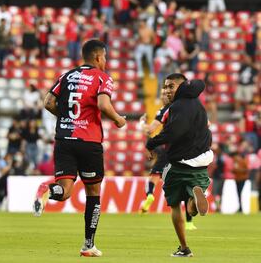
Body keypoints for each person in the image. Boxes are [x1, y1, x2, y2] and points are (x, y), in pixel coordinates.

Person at [32, 39, 126, 257]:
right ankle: (88, 245)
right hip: (88, 141)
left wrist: (66, 118)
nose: (105, 61)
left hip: (64, 140)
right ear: (98, 57)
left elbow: (48, 102)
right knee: (93, 192)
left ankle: (48, 189)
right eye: (104, 57)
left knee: (64, 191)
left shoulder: (66, 76)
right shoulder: (103, 77)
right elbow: (103, 104)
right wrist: (118, 119)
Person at [145, 73, 213, 257]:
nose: (167, 90)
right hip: (202, 161)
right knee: (190, 201)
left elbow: (173, 132)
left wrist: (151, 143)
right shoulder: (197, 103)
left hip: (179, 162)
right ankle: (194, 200)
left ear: (182, 87)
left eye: (171, 86)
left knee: (174, 204)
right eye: (165, 86)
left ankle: (184, 248)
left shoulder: (178, 107)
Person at [139, 87, 197, 230]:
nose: (163, 97)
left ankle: (150, 194)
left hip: (169, 149)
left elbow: (149, 130)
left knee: (154, 176)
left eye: (165, 94)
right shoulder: (188, 107)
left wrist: (141, 123)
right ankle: (189, 222)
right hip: (187, 149)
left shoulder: (165, 109)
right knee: (186, 184)